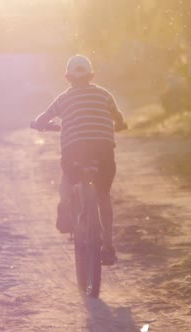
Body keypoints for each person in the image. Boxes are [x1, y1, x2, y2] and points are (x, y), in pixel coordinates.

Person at [32, 55, 127, 265]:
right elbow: (117, 116)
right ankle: (108, 246)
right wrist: (119, 124)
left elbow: (45, 117)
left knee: (68, 177)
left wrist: (38, 123)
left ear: (67, 78)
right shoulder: (104, 95)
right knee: (103, 196)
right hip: (103, 150)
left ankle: (65, 205)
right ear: (92, 76)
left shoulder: (64, 98)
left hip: (75, 149)